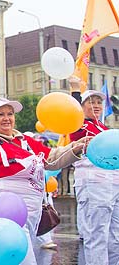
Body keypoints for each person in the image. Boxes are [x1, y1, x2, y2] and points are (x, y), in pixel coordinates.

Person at [0, 97, 90, 265]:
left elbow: (52, 158)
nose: (7, 118)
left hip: (33, 216)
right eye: (0, 114)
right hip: (6, 216)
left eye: (10, 114)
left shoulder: (25, 142)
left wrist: (75, 146)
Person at [69, 77, 119, 265]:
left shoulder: (103, 128)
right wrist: (75, 90)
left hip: (113, 181)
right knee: (96, 233)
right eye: (90, 102)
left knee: (115, 236)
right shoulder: (78, 124)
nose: (96, 105)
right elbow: (70, 112)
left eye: (99, 102)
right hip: (94, 181)